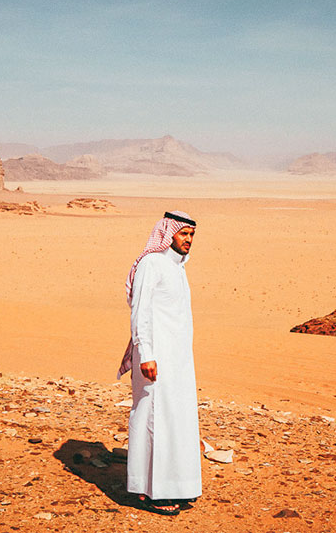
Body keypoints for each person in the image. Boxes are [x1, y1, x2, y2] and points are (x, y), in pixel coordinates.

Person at [117, 210, 201, 516]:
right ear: (168, 233)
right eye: (183, 234)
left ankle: (177, 485)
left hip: (177, 360)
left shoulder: (177, 268)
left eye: (192, 235)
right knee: (153, 419)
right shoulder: (151, 264)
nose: (188, 240)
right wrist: (146, 353)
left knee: (176, 419)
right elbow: (140, 311)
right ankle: (150, 491)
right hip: (153, 359)